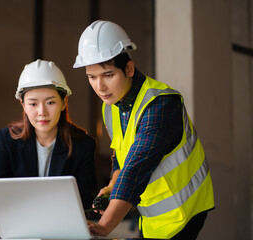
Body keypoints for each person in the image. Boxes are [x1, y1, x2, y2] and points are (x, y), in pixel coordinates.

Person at [73, 20, 215, 239]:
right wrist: (112, 185)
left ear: (128, 69)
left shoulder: (160, 105)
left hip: (183, 210)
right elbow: (122, 156)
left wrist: (103, 226)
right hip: (151, 215)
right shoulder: (110, 107)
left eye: (108, 75)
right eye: (92, 77)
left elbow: (136, 168)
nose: (99, 87)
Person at [0, 59, 97, 210]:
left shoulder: (83, 145)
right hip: (20, 225)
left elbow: (86, 200)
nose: (42, 113)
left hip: (63, 229)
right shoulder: (7, 140)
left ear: (64, 102)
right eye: (33, 104)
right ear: (23, 105)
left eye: (50, 103)